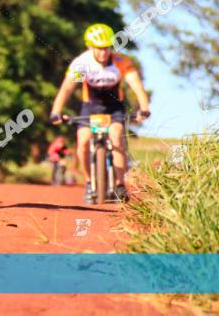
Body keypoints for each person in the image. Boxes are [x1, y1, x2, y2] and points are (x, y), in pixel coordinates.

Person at [49, 23, 151, 202]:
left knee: (116, 136)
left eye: (107, 48)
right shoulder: (82, 64)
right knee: (83, 141)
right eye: (99, 48)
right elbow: (67, 89)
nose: (104, 53)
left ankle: (120, 184)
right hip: (90, 108)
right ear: (90, 47)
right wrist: (56, 111)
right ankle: (89, 183)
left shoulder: (121, 62)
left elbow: (136, 86)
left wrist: (144, 108)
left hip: (114, 108)